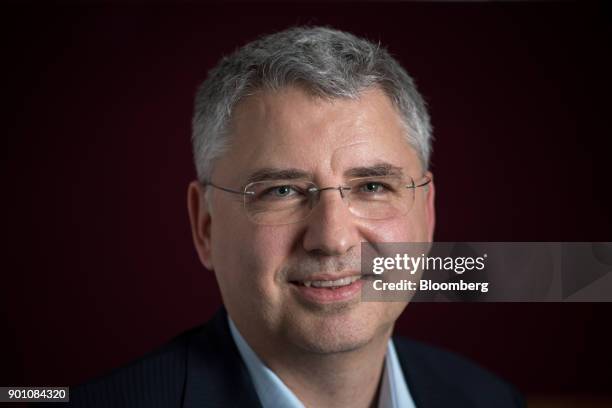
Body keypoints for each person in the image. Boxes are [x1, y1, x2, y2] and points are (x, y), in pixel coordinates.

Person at [55, 26, 524, 407]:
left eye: (373, 186)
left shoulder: (488, 398)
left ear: (428, 213)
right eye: (282, 190)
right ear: (205, 225)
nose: (333, 238)